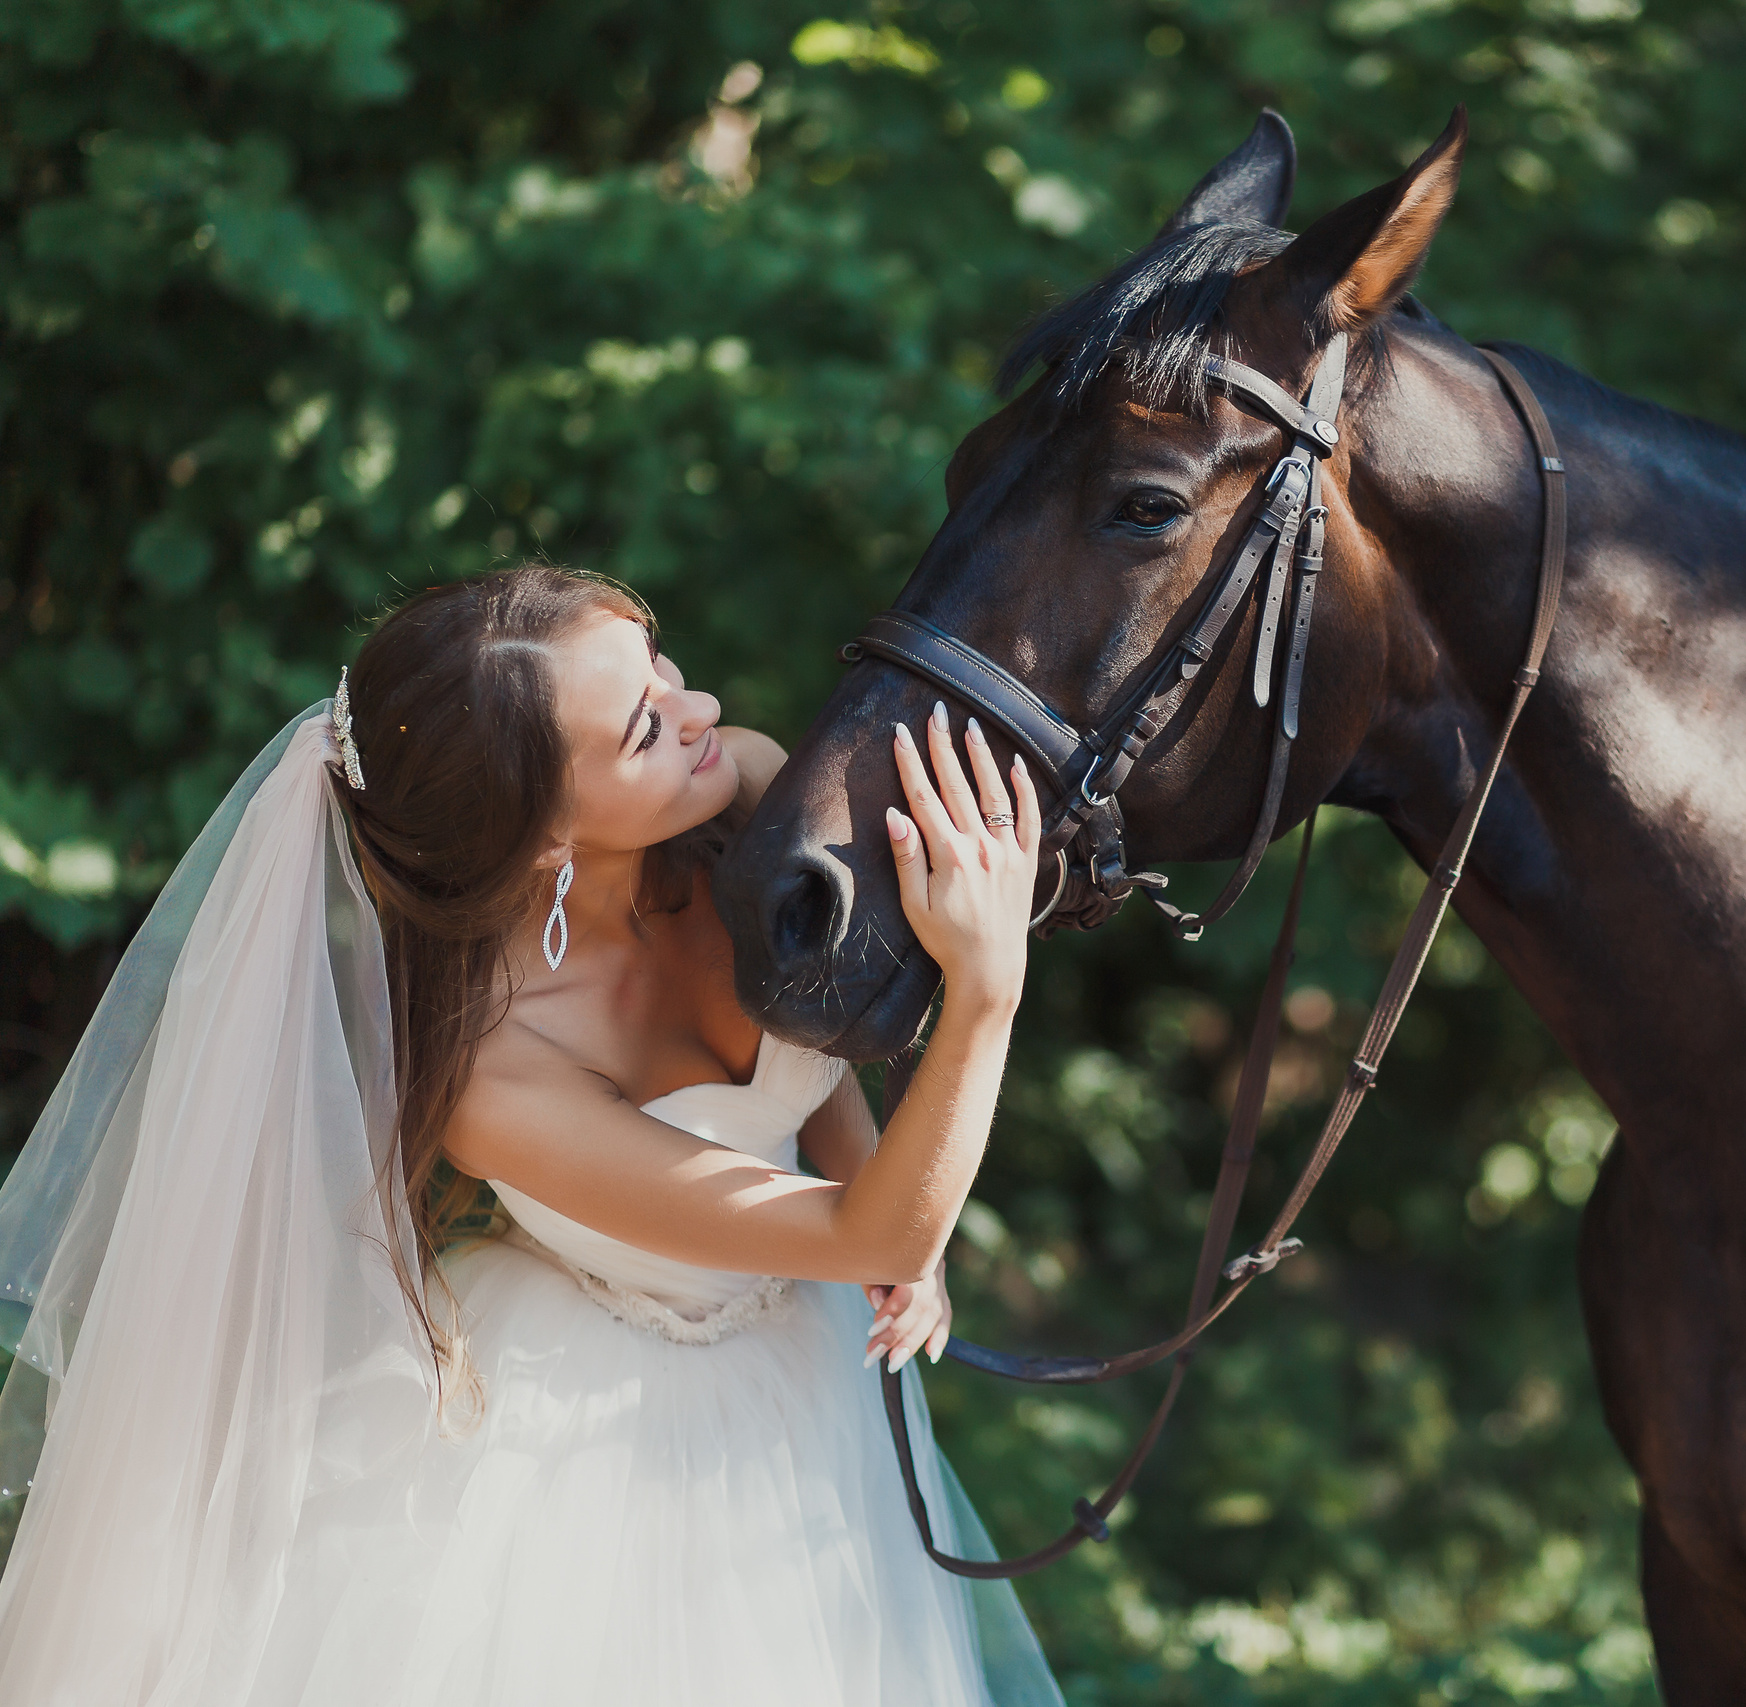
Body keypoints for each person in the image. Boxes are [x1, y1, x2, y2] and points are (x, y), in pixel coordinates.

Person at [0, 565, 1062, 1705]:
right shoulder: (502, 1084)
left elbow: (802, 1044)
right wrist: (985, 988)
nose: (698, 712)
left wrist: (892, 1206)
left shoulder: (742, 793)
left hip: (808, 1349)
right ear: (548, 834)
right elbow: (868, 1237)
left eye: (663, 665)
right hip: (598, 1431)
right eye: (645, 728)